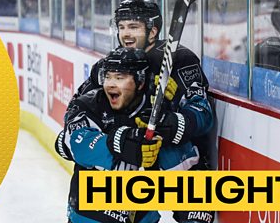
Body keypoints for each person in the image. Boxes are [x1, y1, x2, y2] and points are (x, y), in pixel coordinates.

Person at [55, 47, 213, 223]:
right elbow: (72, 143)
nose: (111, 84)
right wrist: (120, 143)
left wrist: (195, 215)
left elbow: (188, 178)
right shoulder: (90, 104)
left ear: (140, 82)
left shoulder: (157, 121)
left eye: (120, 78)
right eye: (108, 77)